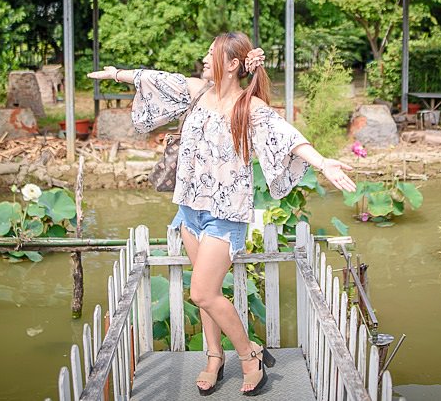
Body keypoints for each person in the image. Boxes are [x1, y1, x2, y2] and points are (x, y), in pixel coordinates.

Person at [88, 31, 356, 396]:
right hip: (190, 209)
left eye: (211, 53)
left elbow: (289, 137)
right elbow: (155, 78)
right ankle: (214, 357)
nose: (203, 58)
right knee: (206, 291)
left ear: (232, 64)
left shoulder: (250, 107)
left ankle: (249, 356)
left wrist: (323, 162)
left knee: (201, 292)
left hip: (224, 214)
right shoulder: (197, 91)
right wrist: (118, 73)